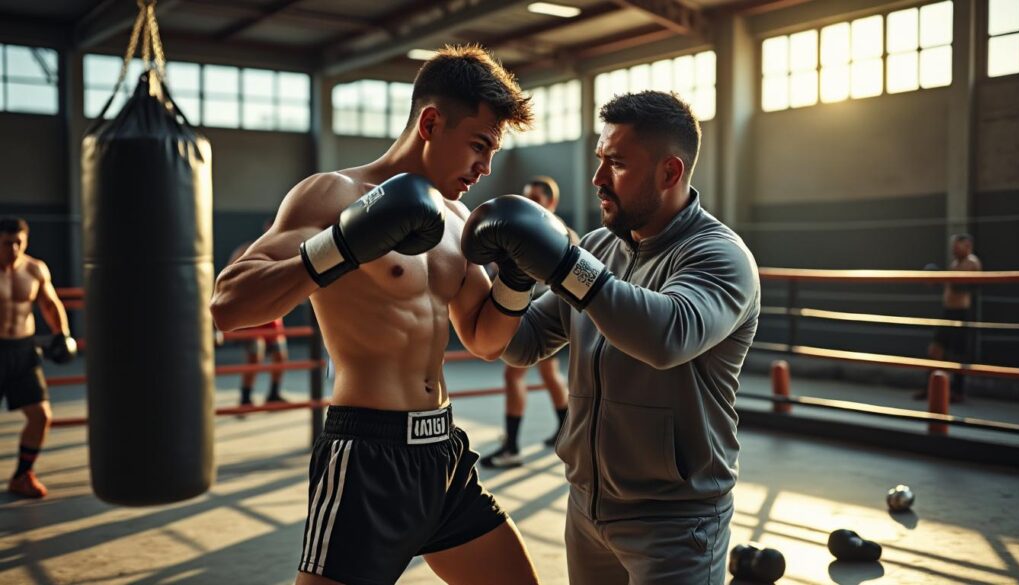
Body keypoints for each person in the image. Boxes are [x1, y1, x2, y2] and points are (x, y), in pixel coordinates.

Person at [210, 45, 540, 585]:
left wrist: (519, 279)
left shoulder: (458, 221)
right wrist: (344, 243)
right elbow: (229, 306)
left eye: (493, 154)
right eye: (478, 146)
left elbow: (484, 339)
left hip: (444, 452)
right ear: (431, 122)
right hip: (366, 456)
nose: (484, 168)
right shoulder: (333, 195)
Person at [464, 91, 760, 584]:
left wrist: (564, 264)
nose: (598, 178)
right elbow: (524, 343)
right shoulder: (599, 247)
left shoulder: (719, 257)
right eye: (600, 160)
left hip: (675, 524)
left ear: (670, 172)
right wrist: (512, 280)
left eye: (617, 164)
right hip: (587, 509)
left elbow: (667, 335)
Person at [481, 176, 575, 469]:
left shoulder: (562, 234)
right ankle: (566, 432)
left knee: (513, 377)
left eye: (536, 199)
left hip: (545, 316)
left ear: (552, 202)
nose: (530, 204)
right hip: (529, 312)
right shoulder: (524, 231)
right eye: (526, 198)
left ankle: (511, 448)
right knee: (549, 375)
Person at [0, 217, 77, 498]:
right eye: (8, 243)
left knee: (40, 415)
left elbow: (49, 302)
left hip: (22, 350)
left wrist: (62, 333)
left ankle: (22, 475)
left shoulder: (34, 269)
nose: (14, 248)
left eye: (19, 242)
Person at [225, 219, 288, 407]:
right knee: (255, 355)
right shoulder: (246, 250)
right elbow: (228, 279)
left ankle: (273, 394)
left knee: (280, 356)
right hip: (253, 312)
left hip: (273, 312)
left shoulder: (283, 251)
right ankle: (245, 397)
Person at [916, 233, 982, 403]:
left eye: (957, 246)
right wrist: (938, 280)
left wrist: (942, 278)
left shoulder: (971, 263)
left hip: (961, 313)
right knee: (935, 350)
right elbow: (952, 286)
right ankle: (930, 387)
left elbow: (964, 287)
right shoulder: (955, 264)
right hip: (948, 312)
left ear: (967, 246)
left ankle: (958, 392)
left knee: (958, 354)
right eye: (953, 245)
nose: (953, 249)